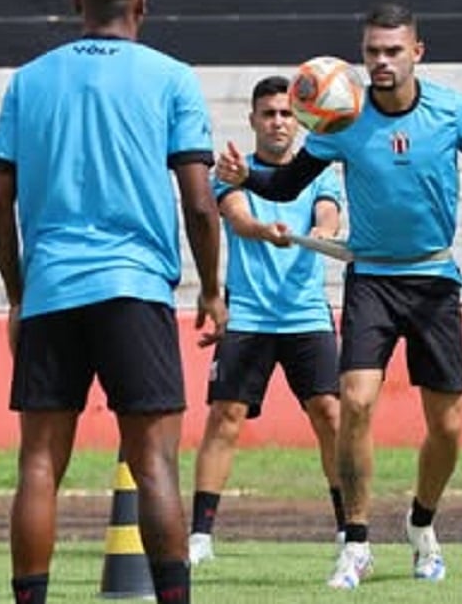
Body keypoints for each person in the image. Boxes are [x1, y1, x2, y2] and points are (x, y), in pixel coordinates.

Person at [216, 2, 462, 590]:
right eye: (371, 53)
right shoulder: (342, 121)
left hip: (434, 281)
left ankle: (421, 524)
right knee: (354, 402)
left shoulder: (450, 111)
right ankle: (355, 543)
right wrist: (244, 178)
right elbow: (284, 182)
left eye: (392, 51)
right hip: (373, 280)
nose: (380, 62)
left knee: (449, 425)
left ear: (417, 52)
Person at [0, 0, 226, 603]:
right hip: (135, 288)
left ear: (75, 4)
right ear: (143, 6)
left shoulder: (28, 80)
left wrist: (18, 293)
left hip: (52, 291)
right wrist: (211, 289)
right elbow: (200, 204)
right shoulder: (172, 77)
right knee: (154, 466)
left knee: (39, 465)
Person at [187, 75, 346, 565]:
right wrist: (265, 230)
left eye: (285, 113)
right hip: (250, 316)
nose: (278, 122)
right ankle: (200, 538)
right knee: (225, 419)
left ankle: (348, 529)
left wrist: (318, 232)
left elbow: (328, 216)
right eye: (268, 114)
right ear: (253, 120)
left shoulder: (319, 170)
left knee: (331, 416)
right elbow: (236, 218)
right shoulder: (233, 173)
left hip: (305, 316)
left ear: (298, 120)